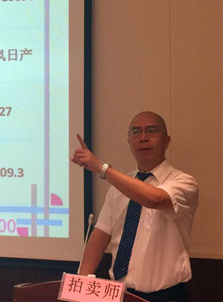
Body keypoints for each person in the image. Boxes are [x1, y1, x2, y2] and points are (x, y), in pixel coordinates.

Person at [71, 111, 199, 302]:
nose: (143, 138)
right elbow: (100, 236)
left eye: (151, 131)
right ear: (129, 141)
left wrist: (101, 168)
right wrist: (79, 285)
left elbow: (154, 199)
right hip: (119, 294)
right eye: (136, 132)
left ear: (166, 141)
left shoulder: (184, 182)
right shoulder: (118, 186)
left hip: (165, 296)